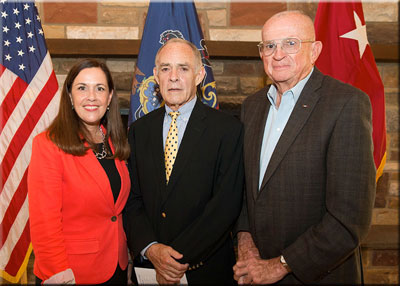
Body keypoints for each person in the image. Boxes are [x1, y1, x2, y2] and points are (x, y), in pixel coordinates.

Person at [233, 11, 376, 285]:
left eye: (291, 43)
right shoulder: (251, 107)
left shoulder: (346, 104)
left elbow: (349, 220)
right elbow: (245, 192)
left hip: (316, 276)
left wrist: (279, 266)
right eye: (269, 46)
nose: (278, 55)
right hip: (255, 272)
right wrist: (247, 247)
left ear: (315, 50)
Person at [125, 38, 244, 284]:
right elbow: (132, 198)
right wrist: (152, 249)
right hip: (150, 270)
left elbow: (225, 205)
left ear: (200, 75)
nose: (174, 77)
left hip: (205, 270)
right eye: (166, 69)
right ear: (156, 76)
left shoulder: (228, 130)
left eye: (184, 68)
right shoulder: (139, 131)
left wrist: (174, 260)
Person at [28, 59, 131, 284]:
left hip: (117, 267)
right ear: (70, 96)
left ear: (110, 96)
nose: (91, 96)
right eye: (82, 88)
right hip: (72, 272)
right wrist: (58, 273)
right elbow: (44, 222)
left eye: (100, 88)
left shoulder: (114, 141)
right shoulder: (48, 145)